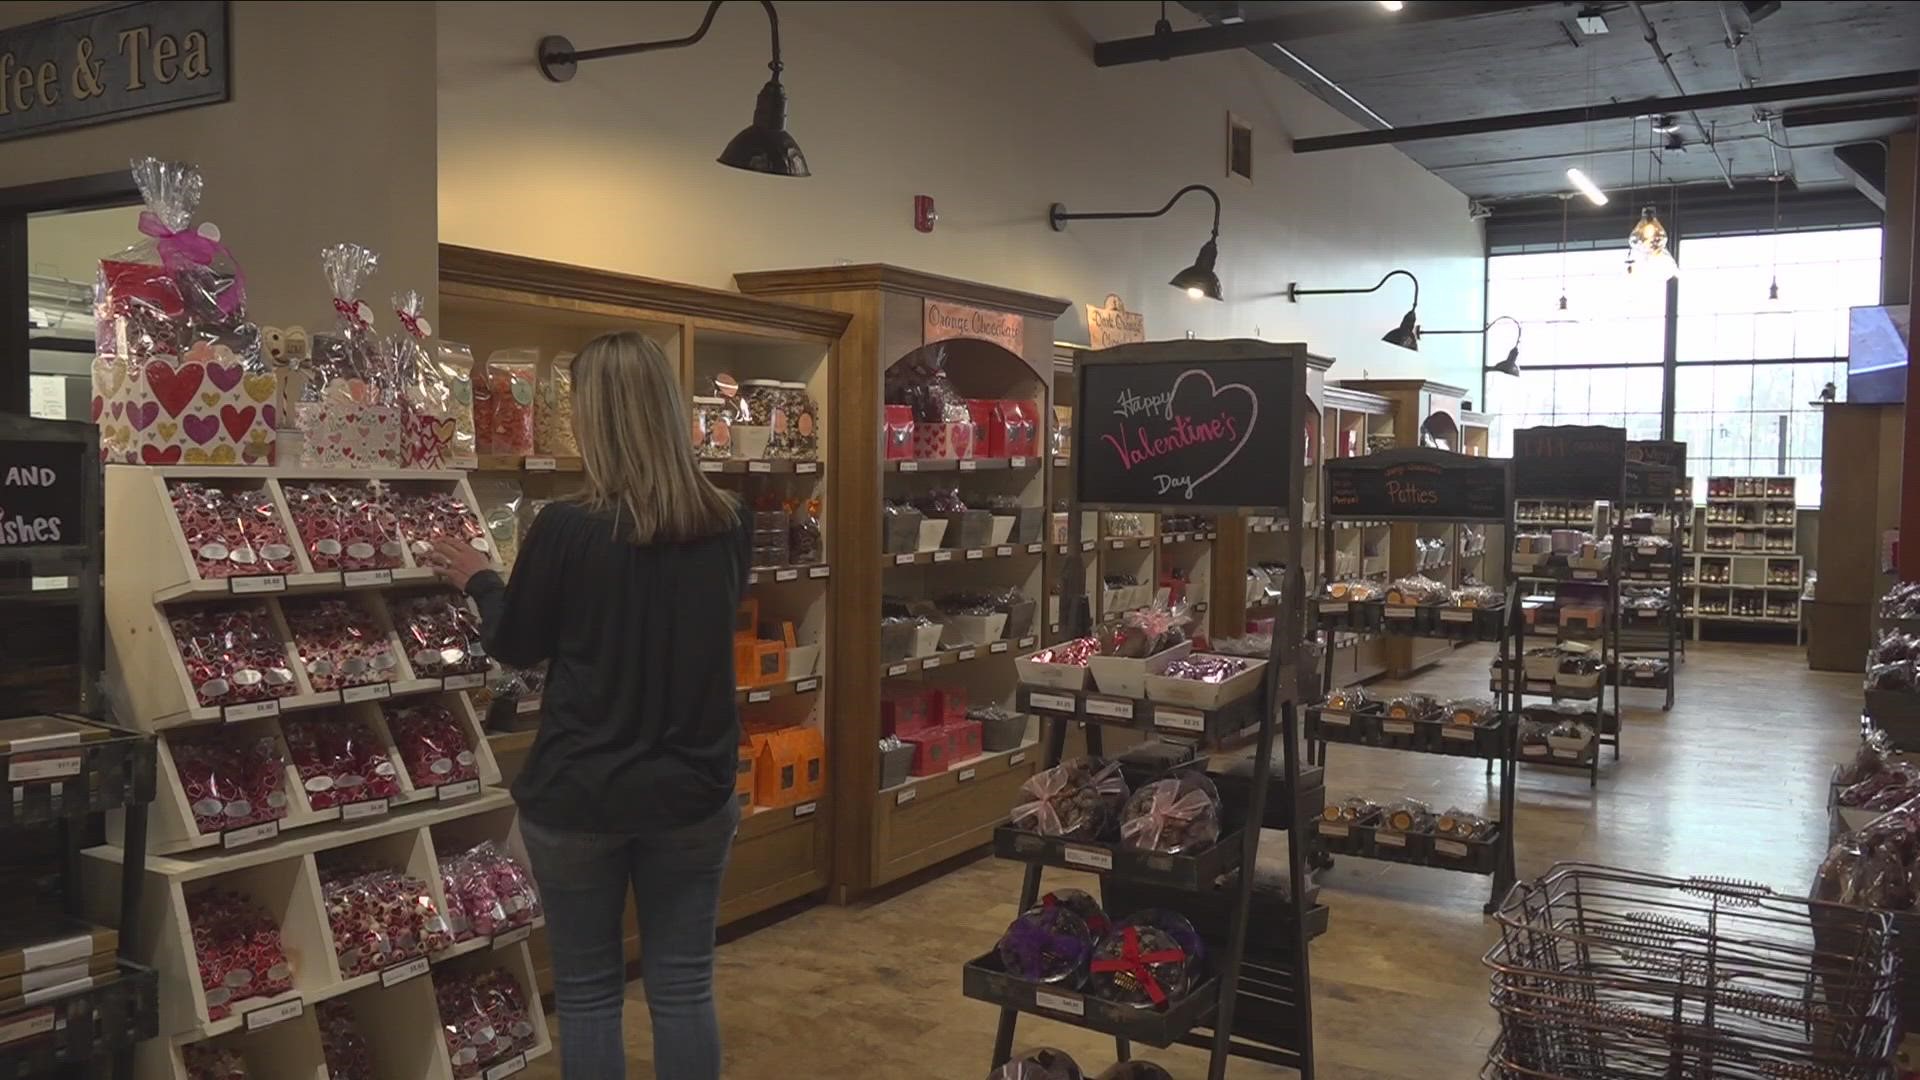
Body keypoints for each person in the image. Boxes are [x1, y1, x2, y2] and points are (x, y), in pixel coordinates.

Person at [430, 330, 747, 1080]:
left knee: (588, 991)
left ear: (595, 418)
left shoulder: (568, 527)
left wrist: (480, 577)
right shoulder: (729, 520)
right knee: (683, 985)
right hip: (695, 789)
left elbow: (517, 643)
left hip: (581, 789)